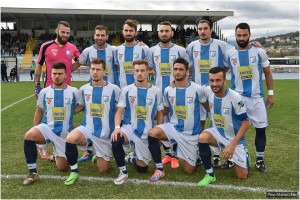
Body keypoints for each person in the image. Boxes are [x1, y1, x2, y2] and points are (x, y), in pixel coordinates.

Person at [224, 23, 274, 173]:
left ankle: (259, 160)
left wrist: (271, 94)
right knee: (233, 130)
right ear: (235, 35)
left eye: (244, 35)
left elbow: (267, 73)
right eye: (239, 35)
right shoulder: (229, 53)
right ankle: (232, 159)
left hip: (256, 97)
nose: (241, 38)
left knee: (260, 129)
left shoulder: (259, 52)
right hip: (237, 98)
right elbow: (222, 72)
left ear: (250, 35)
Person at [148, 57, 206, 181]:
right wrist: (150, 116)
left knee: (189, 171)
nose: (178, 72)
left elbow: (207, 107)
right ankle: (159, 169)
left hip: (191, 135)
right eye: (175, 69)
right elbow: (166, 110)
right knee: (153, 133)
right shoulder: (169, 90)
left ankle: (194, 154)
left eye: (181, 69)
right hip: (174, 128)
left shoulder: (197, 89)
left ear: (187, 71)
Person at [64, 58, 120, 185]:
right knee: (70, 138)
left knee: (103, 170)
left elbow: (119, 110)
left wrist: (118, 127)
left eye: (98, 70)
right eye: (93, 69)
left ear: (104, 71)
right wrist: (65, 112)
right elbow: (80, 106)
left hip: (105, 135)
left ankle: (97, 153)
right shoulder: (83, 89)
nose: (95, 72)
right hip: (87, 129)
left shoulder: (114, 89)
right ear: (90, 71)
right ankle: (74, 172)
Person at [186, 16, 233, 168]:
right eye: (200, 29)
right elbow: (188, 67)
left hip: (216, 90)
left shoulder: (222, 45)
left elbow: (232, 58)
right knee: (199, 122)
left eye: (205, 28)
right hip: (198, 90)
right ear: (197, 31)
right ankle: (200, 153)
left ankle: (217, 156)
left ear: (211, 30)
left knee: (217, 121)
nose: (203, 31)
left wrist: (219, 78)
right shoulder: (192, 46)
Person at [22, 62, 80, 186]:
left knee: (62, 168)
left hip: (64, 134)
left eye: (60, 73)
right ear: (50, 75)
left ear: (66, 75)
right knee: (29, 135)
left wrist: (69, 113)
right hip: (47, 128)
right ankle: (33, 172)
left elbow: (81, 106)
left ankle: (56, 155)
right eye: (54, 73)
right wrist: (35, 129)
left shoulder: (74, 91)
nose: (57, 76)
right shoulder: (44, 92)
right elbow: (39, 112)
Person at [111, 59, 164, 185]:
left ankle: (131, 158)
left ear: (148, 72)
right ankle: (123, 172)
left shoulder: (156, 91)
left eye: (142, 71)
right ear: (133, 73)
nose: (139, 73)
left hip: (146, 132)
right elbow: (119, 112)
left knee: (142, 169)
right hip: (129, 128)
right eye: (137, 71)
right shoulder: (127, 90)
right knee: (116, 139)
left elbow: (160, 113)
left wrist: (159, 132)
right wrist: (117, 127)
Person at [34, 21, 81, 160]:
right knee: (44, 115)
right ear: (57, 31)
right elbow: (39, 65)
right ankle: (41, 145)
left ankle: (66, 148)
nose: (65, 35)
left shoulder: (72, 48)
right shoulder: (46, 46)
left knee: (67, 119)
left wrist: (68, 71)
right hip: (49, 88)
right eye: (63, 32)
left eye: (68, 33)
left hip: (67, 89)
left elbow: (81, 60)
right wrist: (37, 84)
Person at [148, 21, 191, 169]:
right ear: (158, 33)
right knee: (163, 123)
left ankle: (178, 153)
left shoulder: (180, 50)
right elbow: (151, 68)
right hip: (160, 93)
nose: (164, 33)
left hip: (177, 92)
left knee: (178, 121)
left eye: (167, 31)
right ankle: (168, 154)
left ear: (172, 33)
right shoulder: (152, 51)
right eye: (161, 31)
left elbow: (186, 69)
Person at [197, 67, 250, 186]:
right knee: (202, 137)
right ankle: (210, 175)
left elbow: (246, 123)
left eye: (218, 80)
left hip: (234, 139)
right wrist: (174, 82)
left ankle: (245, 155)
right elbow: (193, 88)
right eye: (211, 80)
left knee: (242, 176)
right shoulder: (208, 91)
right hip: (217, 133)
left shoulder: (235, 97)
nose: (214, 84)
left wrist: (232, 145)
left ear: (224, 81)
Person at [77, 25, 118, 163]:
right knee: (90, 119)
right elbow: (79, 63)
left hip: (110, 91)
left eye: (102, 35)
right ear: (94, 36)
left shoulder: (113, 50)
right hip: (92, 90)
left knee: (111, 120)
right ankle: (89, 150)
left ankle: (110, 149)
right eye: (97, 35)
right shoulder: (88, 51)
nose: (100, 38)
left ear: (107, 36)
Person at [115, 19, 150, 90]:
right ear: (123, 32)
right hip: (122, 90)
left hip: (140, 90)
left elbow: (149, 67)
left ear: (136, 32)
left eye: (131, 31)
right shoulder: (117, 50)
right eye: (126, 30)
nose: (128, 33)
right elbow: (116, 68)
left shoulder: (144, 48)